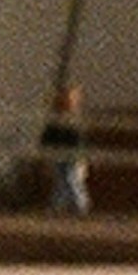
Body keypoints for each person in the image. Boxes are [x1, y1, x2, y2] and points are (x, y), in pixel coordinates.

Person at [41, 80, 92, 216]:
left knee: (71, 179)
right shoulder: (54, 120)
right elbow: (47, 137)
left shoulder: (76, 120)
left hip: (73, 155)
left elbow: (81, 140)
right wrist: (46, 153)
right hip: (59, 154)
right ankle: (58, 205)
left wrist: (83, 157)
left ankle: (79, 205)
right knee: (60, 180)